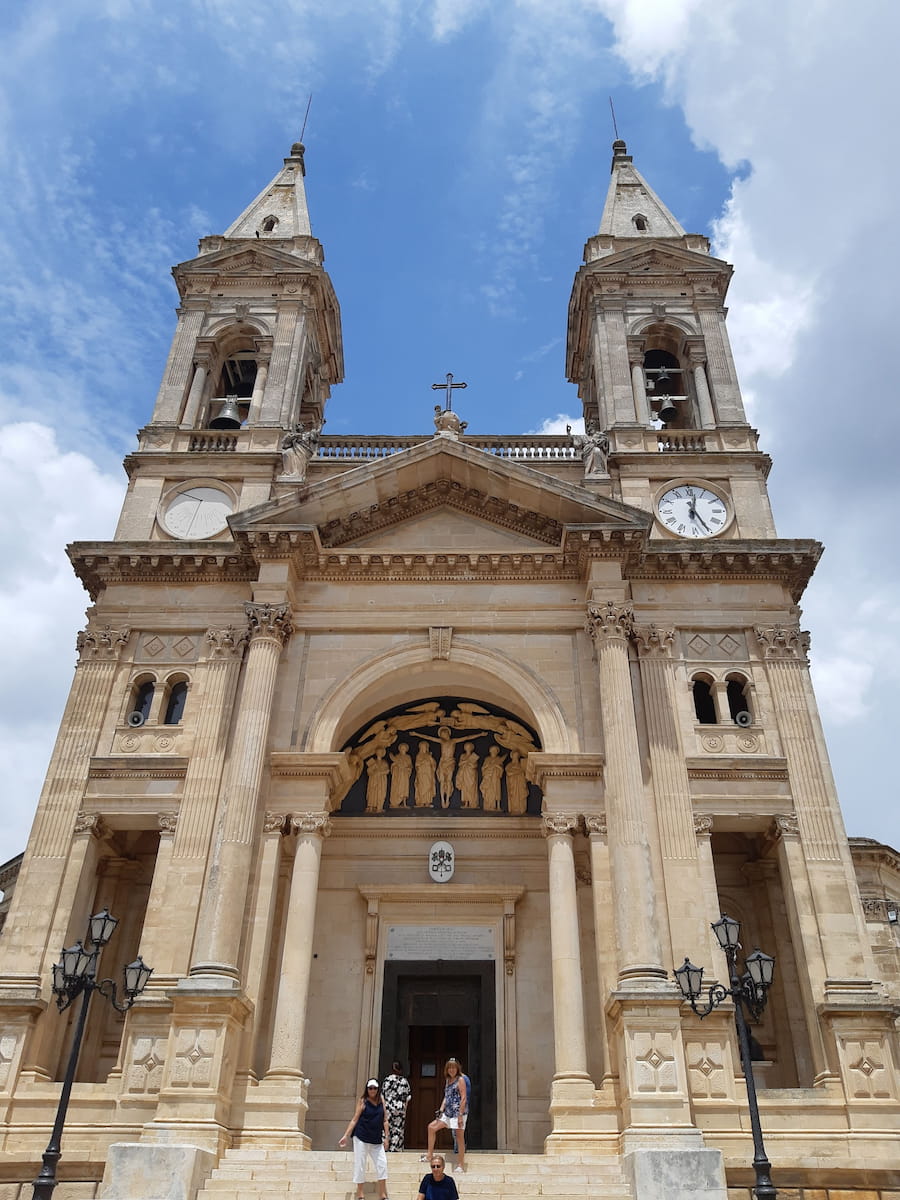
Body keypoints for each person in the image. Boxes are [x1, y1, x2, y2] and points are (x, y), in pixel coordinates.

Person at [338, 1079, 390, 1200]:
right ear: (367, 1089)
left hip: (376, 1139)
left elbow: (385, 1120)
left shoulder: (382, 1100)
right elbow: (355, 1119)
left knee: (382, 1164)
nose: (372, 1090)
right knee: (360, 1164)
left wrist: (387, 1137)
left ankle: (382, 1194)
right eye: (370, 1088)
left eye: (375, 1088)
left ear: (378, 1089)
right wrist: (345, 1135)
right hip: (361, 1137)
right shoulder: (363, 1101)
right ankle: (360, 1193)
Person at [421, 1058, 468, 1173]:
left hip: (458, 1113)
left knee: (459, 1137)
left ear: (457, 1068)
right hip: (447, 1113)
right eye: (450, 1068)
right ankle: (429, 1155)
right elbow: (446, 1097)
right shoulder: (448, 1080)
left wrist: (460, 1115)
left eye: (454, 1067)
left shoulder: (460, 1080)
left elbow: (464, 1097)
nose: (452, 1070)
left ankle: (461, 1164)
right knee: (431, 1127)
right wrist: (441, 1110)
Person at [381, 1060, 412, 1151]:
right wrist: (405, 1111)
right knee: (398, 1130)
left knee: (386, 1129)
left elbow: (382, 1096)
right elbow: (407, 1098)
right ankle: (395, 1150)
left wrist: (383, 1108)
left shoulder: (387, 1080)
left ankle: (384, 1147)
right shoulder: (404, 1081)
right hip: (400, 1109)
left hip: (388, 1108)